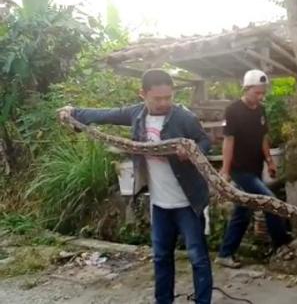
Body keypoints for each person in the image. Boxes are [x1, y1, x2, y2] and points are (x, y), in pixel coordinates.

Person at [58, 69, 213, 304]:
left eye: (168, 98)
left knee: (198, 258)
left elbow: (206, 140)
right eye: (157, 98)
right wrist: (74, 113)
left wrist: (192, 150)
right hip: (159, 204)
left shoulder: (184, 117)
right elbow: (105, 115)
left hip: (188, 202)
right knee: (161, 257)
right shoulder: (136, 115)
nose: (164, 103)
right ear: (143, 94)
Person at [214, 69, 294, 269]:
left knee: (243, 212)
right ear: (246, 88)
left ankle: (225, 253)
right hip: (239, 170)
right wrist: (224, 170)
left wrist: (270, 161)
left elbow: (263, 138)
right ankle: (281, 244)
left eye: (262, 93)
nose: (260, 96)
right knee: (270, 201)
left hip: (256, 167)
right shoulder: (233, 110)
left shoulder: (261, 110)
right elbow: (228, 141)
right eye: (256, 93)